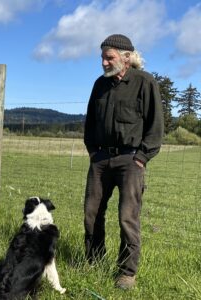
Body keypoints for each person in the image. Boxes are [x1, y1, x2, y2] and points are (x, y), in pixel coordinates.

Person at [83, 34, 164, 289]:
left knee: (127, 217)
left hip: (131, 160)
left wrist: (141, 158)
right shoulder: (99, 85)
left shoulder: (145, 82)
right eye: (102, 58)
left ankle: (126, 273)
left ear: (126, 58)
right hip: (100, 159)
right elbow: (90, 123)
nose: (104, 63)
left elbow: (155, 125)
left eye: (110, 58)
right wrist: (94, 152)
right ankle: (94, 261)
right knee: (92, 214)